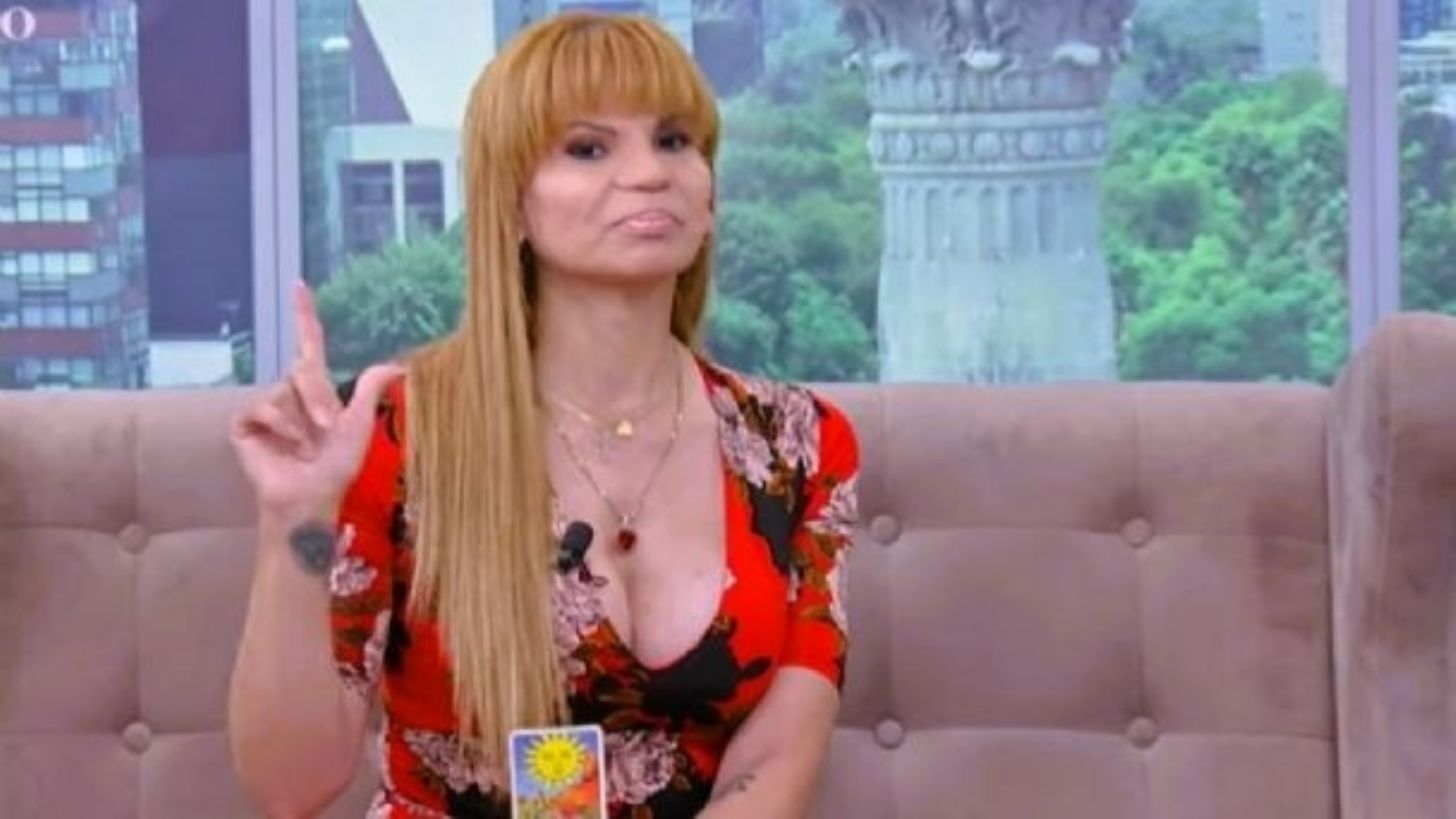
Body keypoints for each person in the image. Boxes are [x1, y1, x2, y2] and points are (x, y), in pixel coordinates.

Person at [227, 11, 859, 819]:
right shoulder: (394, 433)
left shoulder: (801, 444)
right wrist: (295, 524)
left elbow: (778, 758)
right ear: (513, 204)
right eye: (589, 148)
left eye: (673, 140)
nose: (650, 173)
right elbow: (290, 784)